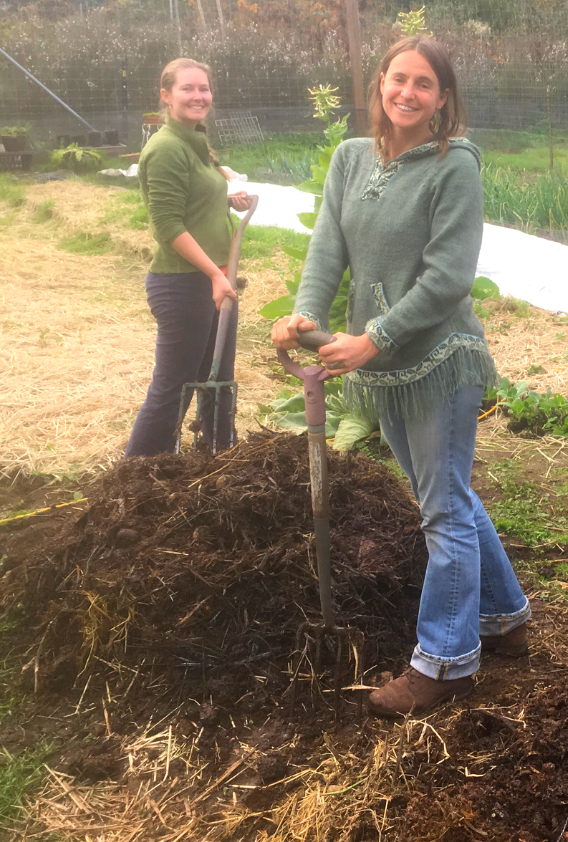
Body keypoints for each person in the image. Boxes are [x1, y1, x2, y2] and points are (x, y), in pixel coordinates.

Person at [270, 35, 530, 718]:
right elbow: (327, 248)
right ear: (378, 83)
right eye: (398, 79)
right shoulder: (351, 158)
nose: (408, 93)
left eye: (424, 84)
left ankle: (444, 662)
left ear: (442, 98)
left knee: (441, 507)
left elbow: (447, 280)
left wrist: (372, 338)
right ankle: (506, 620)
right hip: (383, 367)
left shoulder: (455, 165)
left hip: (441, 361)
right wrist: (304, 318)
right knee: (441, 493)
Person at [126, 58, 252, 457]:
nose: (198, 96)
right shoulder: (165, 149)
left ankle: (216, 465)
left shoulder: (197, 143)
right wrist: (214, 275)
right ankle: (138, 478)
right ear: (166, 96)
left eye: (204, 88)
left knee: (217, 382)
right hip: (182, 284)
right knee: (173, 389)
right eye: (187, 89)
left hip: (214, 280)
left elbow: (193, 203)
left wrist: (226, 197)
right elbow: (166, 224)